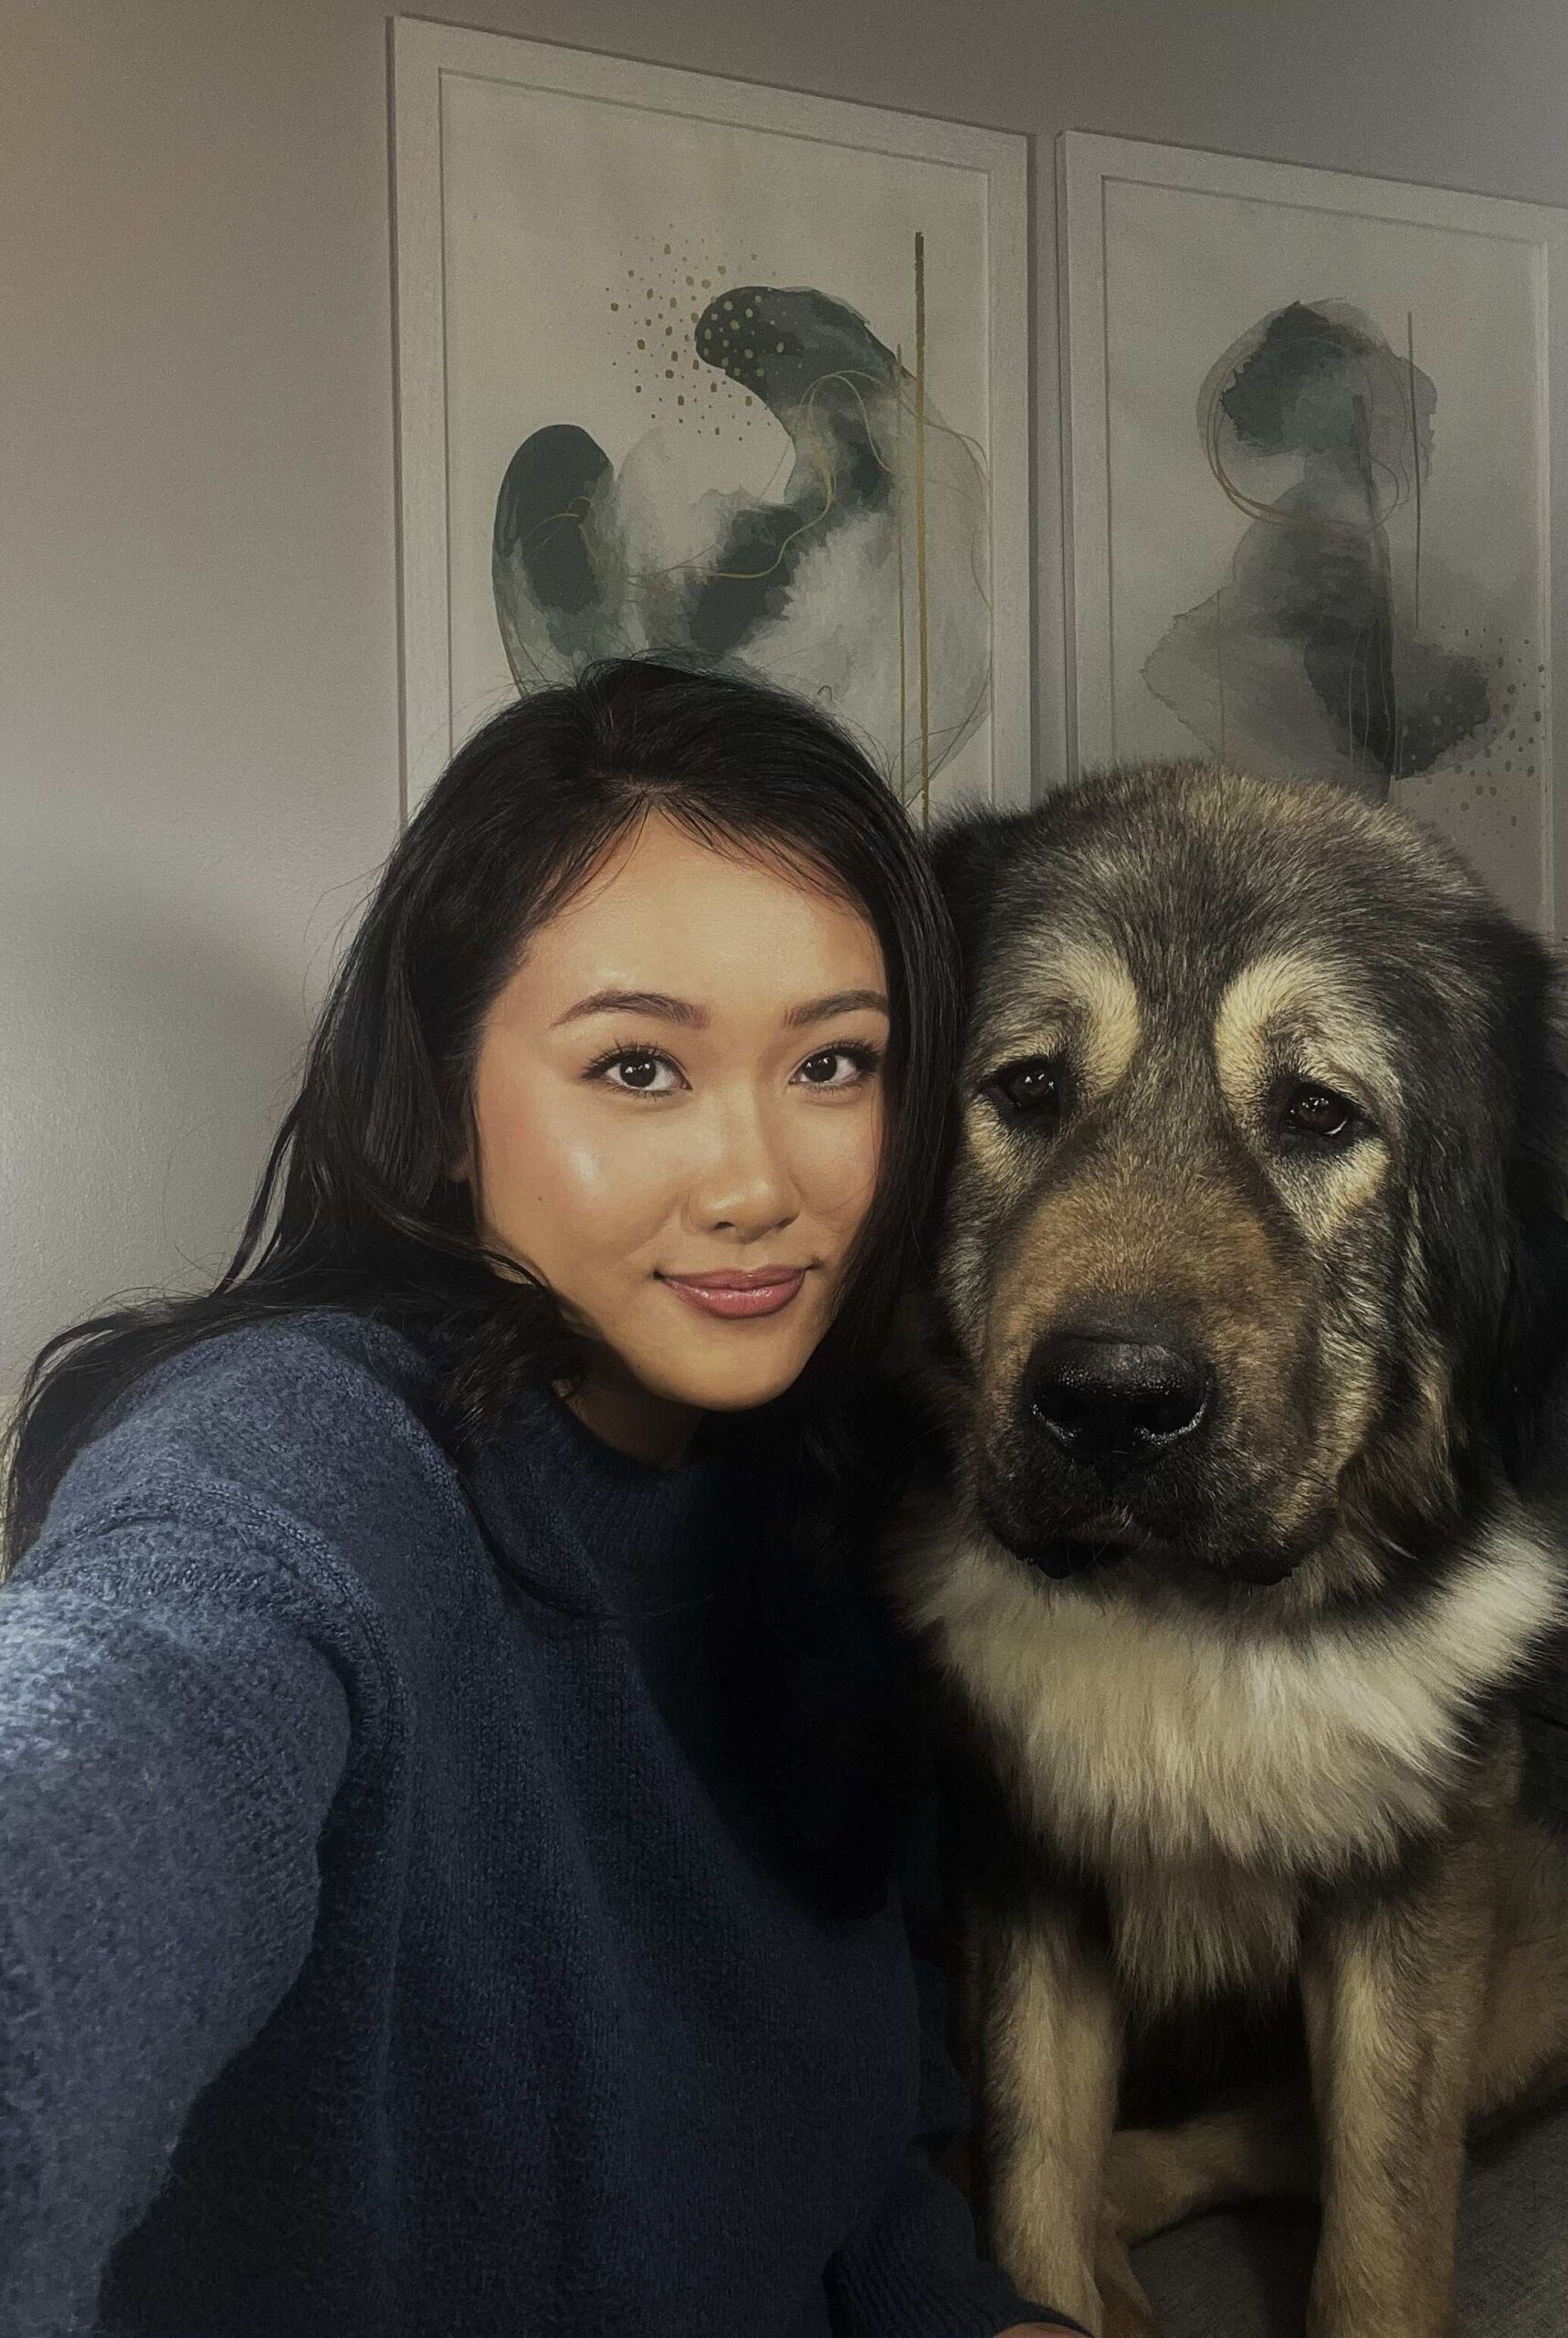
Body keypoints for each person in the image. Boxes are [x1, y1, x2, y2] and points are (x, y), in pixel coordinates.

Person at [0, 658, 1083, 2338]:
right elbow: (96, 1761)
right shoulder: (304, 1465)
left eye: (836, 1066)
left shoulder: (834, 1506)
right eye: (638, 1069)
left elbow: (848, 2147)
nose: (756, 1186)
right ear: (444, 1107)